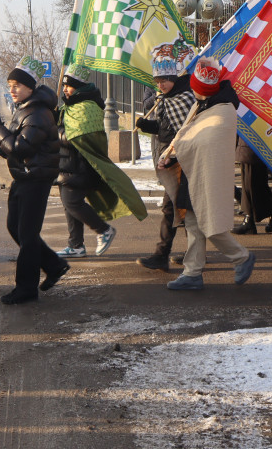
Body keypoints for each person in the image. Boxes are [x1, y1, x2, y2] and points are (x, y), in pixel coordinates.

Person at [160, 60, 254, 290]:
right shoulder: (203, 104)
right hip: (193, 171)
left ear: (203, 90)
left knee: (208, 223)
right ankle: (192, 272)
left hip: (207, 174)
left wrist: (178, 151)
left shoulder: (223, 110)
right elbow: (187, 134)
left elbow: (205, 141)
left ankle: (241, 256)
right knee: (193, 222)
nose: (192, 90)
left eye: (195, 88)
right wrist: (171, 154)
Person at [0, 57, 65, 305]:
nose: (12, 89)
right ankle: (53, 265)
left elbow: (20, 148)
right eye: (10, 84)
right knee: (15, 227)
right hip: (22, 177)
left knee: (28, 234)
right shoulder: (24, 109)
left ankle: (26, 288)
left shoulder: (39, 114)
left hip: (36, 179)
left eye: (17, 85)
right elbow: (8, 148)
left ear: (30, 87)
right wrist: (3, 137)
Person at [54, 63, 146, 257]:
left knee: (72, 203)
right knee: (68, 203)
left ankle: (103, 230)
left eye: (68, 86)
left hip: (82, 166)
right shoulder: (70, 106)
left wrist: (54, 130)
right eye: (64, 86)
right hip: (67, 165)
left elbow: (76, 137)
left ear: (78, 86)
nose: (64, 89)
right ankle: (76, 245)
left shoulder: (88, 106)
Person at [135, 58, 195, 271]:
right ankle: (191, 255)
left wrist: (174, 157)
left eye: (165, 80)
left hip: (184, 163)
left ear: (173, 78)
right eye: (157, 81)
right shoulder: (165, 99)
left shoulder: (185, 98)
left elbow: (187, 134)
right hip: (171, 161)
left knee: (178, 209)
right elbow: (164, 129)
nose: (160, 85)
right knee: (179, 210)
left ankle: (168, 256)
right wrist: (146, 125)